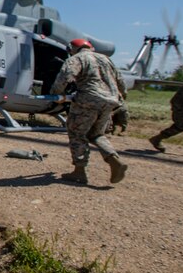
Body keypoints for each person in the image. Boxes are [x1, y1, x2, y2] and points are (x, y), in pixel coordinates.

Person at [50, 38, 129, 185]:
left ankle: (79, 172)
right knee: (96, 134)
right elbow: (121, 83)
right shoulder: (106, 59)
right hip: (110, 101)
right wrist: (120, 99)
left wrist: (56, 94)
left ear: (72, 48)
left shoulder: (77, 58)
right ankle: (115, 160)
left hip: (88, 100)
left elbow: (65, 76)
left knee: (77, 133)